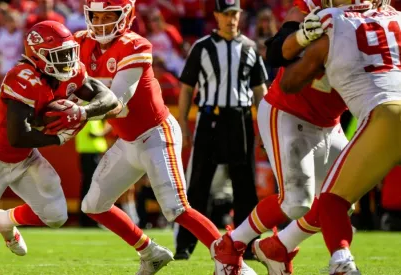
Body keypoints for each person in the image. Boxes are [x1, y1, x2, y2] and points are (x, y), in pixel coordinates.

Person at [74, 0, 253, 273]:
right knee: (93, 205)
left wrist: (75, 113)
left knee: (176, 208)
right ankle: (150, 251)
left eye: (107, 16)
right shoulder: (81, 43)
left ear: (126, 16)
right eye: (95, 17)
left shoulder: (136, 45)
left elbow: (115, 101)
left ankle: (231, 261)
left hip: (156, 134)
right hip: (129, 141)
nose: (100, 24)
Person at [0, 21, 119, 275]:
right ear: (39, 54)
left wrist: (83, 111)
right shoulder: (22, 78)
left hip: (25, 157)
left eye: (69, 52)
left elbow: (109, 98)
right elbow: (17, 136)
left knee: (56, 216)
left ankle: (5, 219)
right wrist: (57, 139)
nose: (68, 61)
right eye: (60, 55)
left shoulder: (70, 72)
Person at [212, 0, 352, 273]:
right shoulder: (309, 10)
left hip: (329, 120)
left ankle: (278, 247)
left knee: (344, 200)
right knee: (296, 201)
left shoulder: (381, 22)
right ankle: (230, 246)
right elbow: (276, 52)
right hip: (290, 111)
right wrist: (301, 36)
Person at [279, 0, 398, 273]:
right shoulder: (396, 17)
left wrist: (309, 47)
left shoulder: (333, 19)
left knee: (333, 199)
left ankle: (342, 262)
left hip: (386, 113)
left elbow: (288, 82)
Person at [176, 0, 268, 264]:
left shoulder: (250, 48)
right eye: (226, 14)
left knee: (245, 185)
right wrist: (183, 123)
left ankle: (247, 244)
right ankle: (186, 244)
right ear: (216, 16)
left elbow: (261, 91)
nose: (231, 19)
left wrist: (264, 129)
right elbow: (186, 87)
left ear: (240, 15)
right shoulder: (202, 47)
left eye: (235, 14)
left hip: (239, 118)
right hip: (210, 117)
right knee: (198, 185)